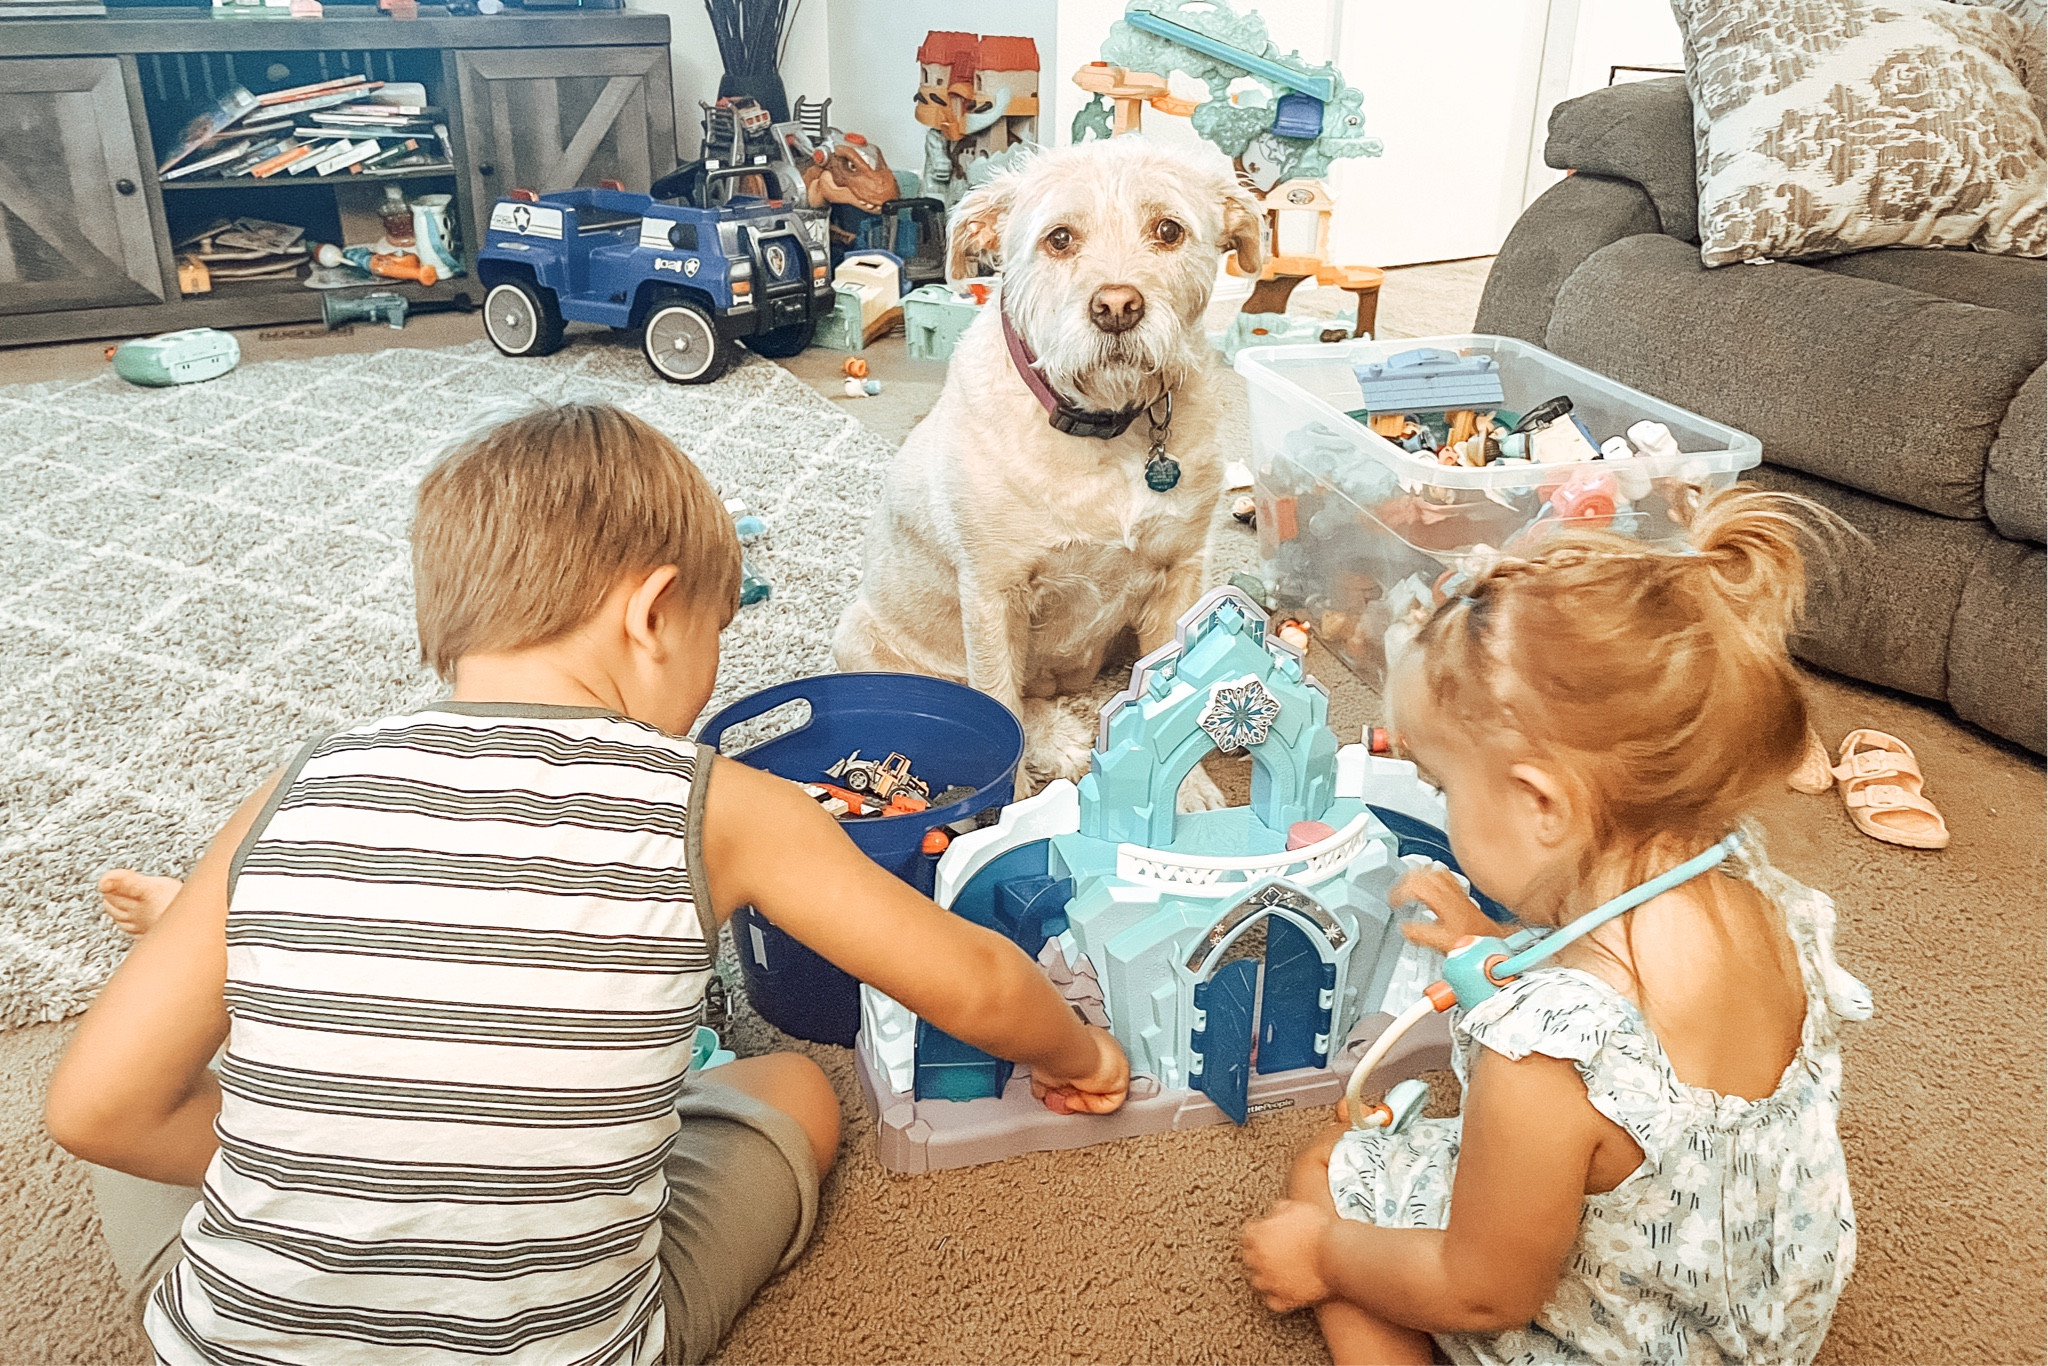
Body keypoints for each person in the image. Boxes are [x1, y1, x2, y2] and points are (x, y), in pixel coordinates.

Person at [46, 402, 1129, 1366]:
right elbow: (977, 988)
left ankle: (265, 1059)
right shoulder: (719, 804)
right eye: (715, 635)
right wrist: (1079, 1052)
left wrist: (342, 1181)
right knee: (792, 1089)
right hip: (569, 1341)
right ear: (652, 613)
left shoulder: (298, 781)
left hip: (234, 1336)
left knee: (150, 1077)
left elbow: (93, 1110)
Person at [1239, 487, 1871, 1365]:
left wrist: (1322, 1253)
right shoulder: (1756, 889)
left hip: (1607, 1340)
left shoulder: (1541, 1050)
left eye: (1440, 787)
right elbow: (1649, 1036)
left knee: (1329, 1174)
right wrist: (1492, 951)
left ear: (1540, 802)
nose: (1442, 808)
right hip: (1756, 1312)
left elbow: (1486, 1287)